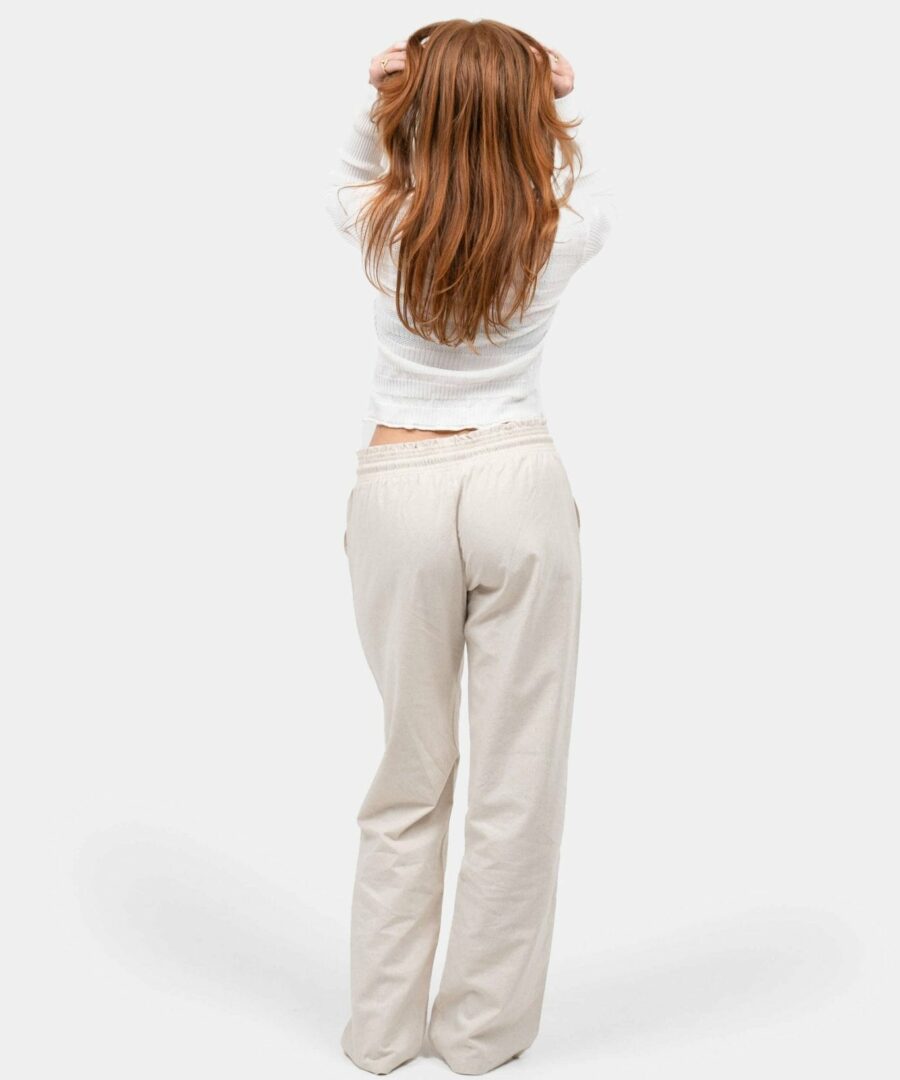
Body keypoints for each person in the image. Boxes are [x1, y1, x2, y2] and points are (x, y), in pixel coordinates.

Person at [324, 18, 616, 1076]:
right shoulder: (560, 232)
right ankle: (481, 1035)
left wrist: (379, 96)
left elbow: (350, 169)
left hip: (398, 484)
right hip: (518, 484)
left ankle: (381, 1034)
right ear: (529, 116)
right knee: (517, 774)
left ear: (421, 110)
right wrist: (554, 97)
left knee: (411, 766)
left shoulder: (381, 222)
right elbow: (583, 184)